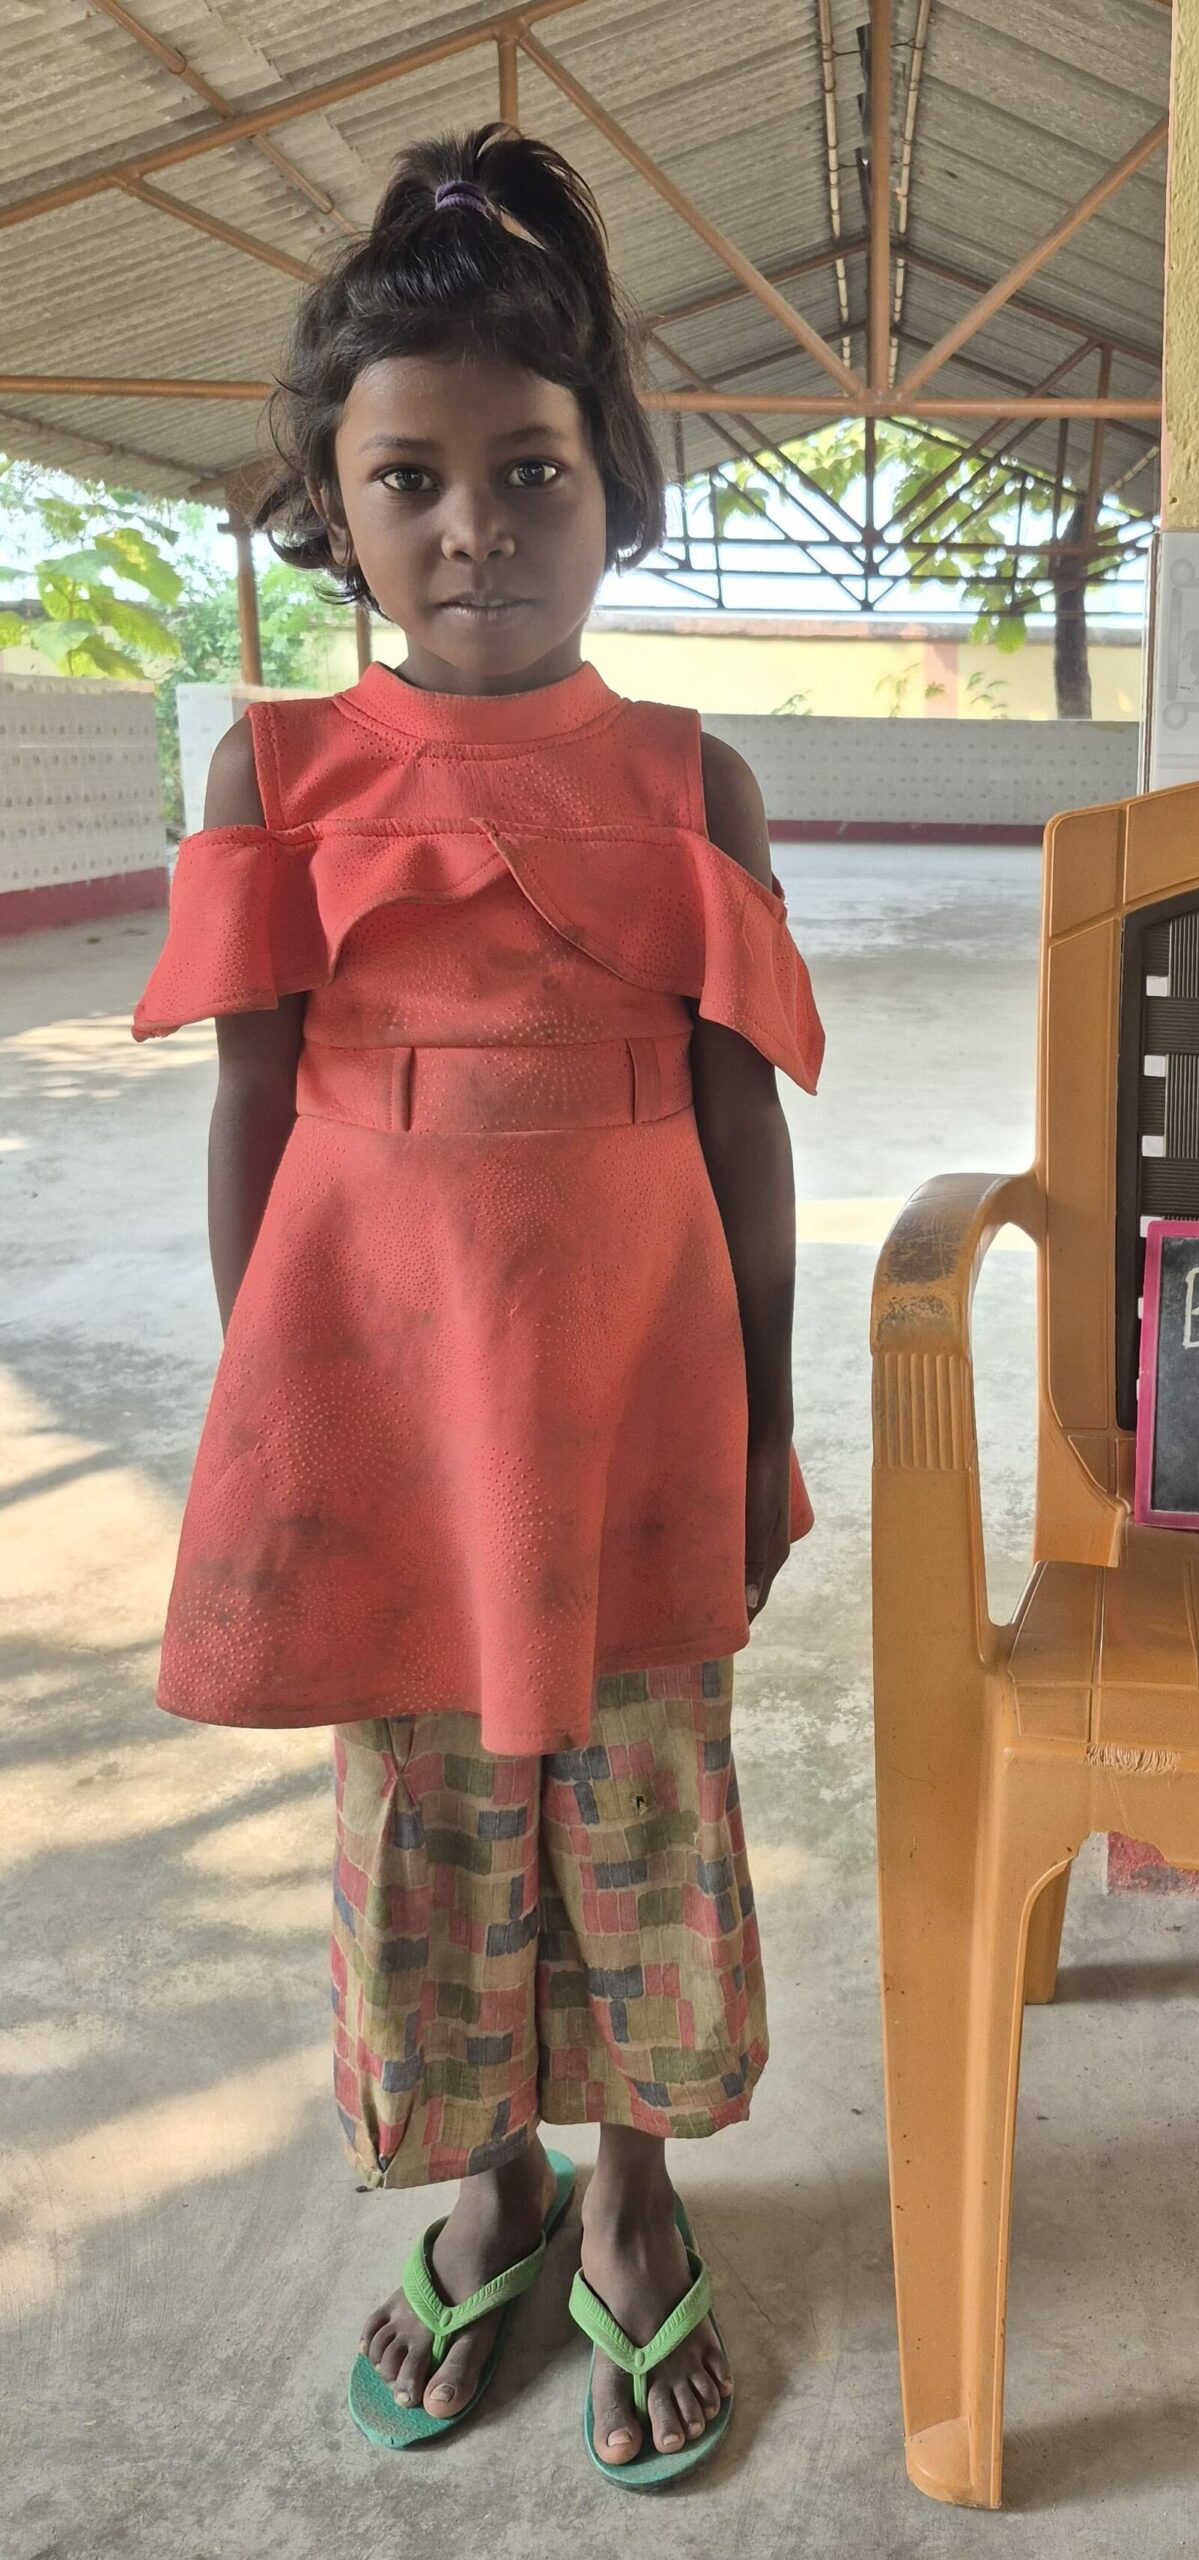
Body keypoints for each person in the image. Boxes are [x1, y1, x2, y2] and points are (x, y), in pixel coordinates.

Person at [129, 121, 822, 2486]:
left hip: (636, 1399)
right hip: (385, 1422)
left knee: (636, 1801)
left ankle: (636, 2198)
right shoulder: (283, 771)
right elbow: (254, 1110)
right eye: (407, 478)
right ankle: (498, 2181)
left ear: (614, 486)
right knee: (423, 1824)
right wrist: (264, 1422)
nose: (473, 529)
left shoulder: (688, 782)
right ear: (337, 505)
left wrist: (765, 1423)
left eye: (529, 471)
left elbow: (743, 1123)